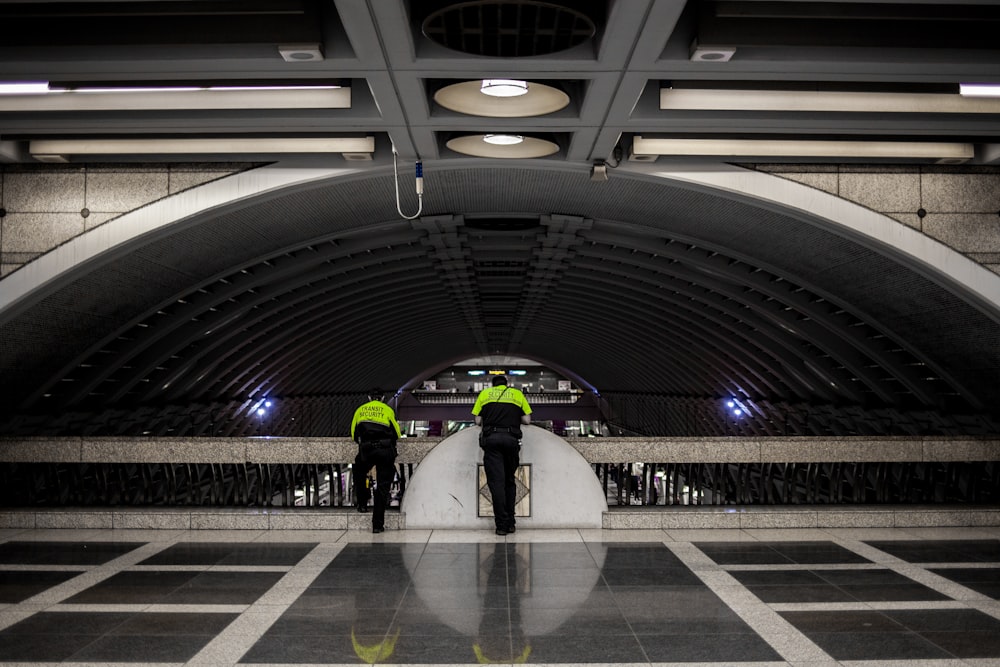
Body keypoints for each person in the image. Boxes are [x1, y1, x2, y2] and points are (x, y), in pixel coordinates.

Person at [472, 375, 532, 535]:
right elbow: (527, 419)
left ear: (493, 385)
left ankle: (501, 526)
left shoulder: (484, 395)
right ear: (507, 384)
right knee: (509, 481)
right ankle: (511, 523)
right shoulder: (517, 394)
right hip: (511, 441)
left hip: (491, 442)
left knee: (496, 483)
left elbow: (477, 421)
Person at [350, 389, 401, 533]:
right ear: (383, 398)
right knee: (382, 487)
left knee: (359, 471)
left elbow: (353, 434)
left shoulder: (360, 410)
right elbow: (397, 433)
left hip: (367, 451)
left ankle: (362, 504)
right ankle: (377, 525)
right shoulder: (387, 410)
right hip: (385, 451)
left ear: (369, 397)